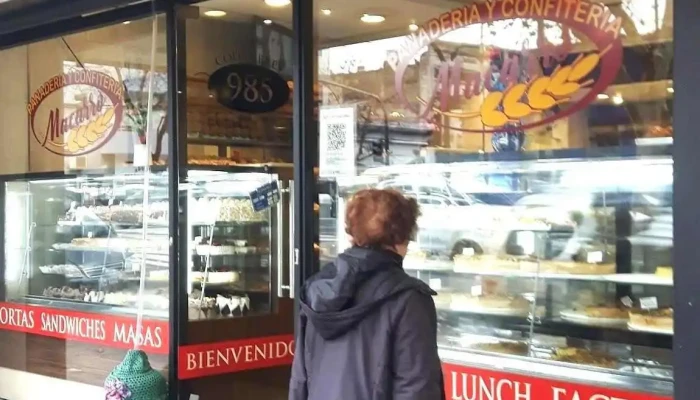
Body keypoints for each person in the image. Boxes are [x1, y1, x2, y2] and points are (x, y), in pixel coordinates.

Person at [289, 189, 444, 400]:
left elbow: (300, 380)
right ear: (400, 237)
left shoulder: (316, 289)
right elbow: (417, 389)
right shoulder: (408, 299)